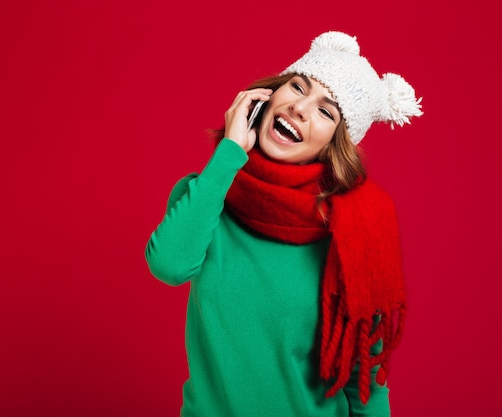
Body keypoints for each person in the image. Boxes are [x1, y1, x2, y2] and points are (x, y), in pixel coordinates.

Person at [145, 31, 422, 417]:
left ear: (335, 144)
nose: (300, 108)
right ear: (266, 96)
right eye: (296, 87)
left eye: (325, 111)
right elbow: (169, 265)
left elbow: (366, 380)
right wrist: (228, 154)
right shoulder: (205, 197)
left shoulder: (354, 232)